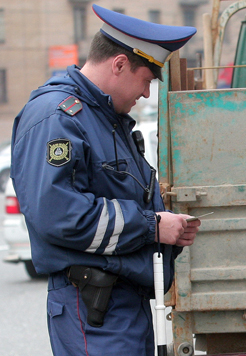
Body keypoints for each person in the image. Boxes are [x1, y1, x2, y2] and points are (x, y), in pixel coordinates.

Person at [10, 4, 200, 356]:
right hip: (95, 308)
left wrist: (164, 228)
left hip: (120, 305)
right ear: (119, 64)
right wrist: (152, 227)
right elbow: (58, 214)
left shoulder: (102, 118)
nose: (146, 94)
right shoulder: (58, 117)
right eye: (146, 81)